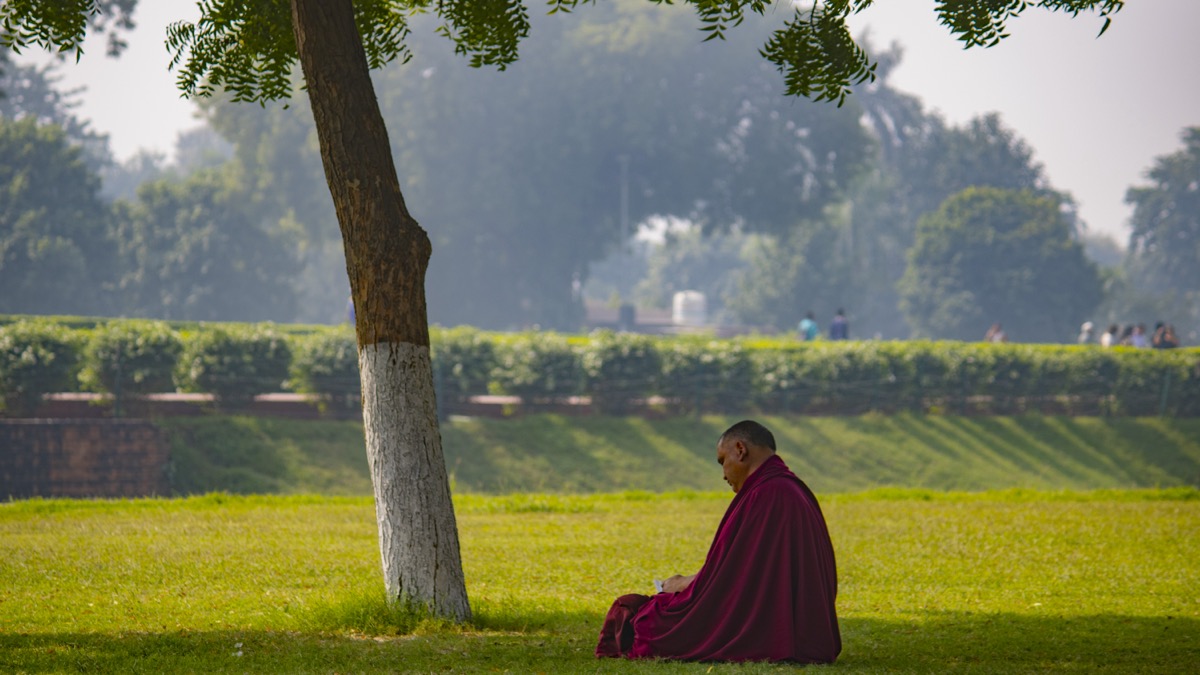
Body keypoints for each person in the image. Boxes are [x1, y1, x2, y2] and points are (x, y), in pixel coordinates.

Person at [596, 420, 840, 664]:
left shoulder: (766, 494)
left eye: (723, 461)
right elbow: (744, 569)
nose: (723, 474)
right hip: (807, 633)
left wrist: (685, 584)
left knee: (638, 614)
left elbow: (733, 580)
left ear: (740, 450)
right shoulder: (791, 489)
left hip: (774, 630)